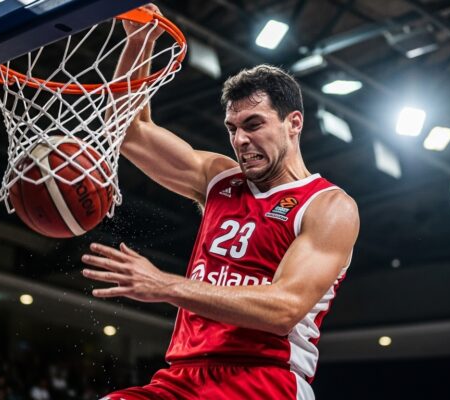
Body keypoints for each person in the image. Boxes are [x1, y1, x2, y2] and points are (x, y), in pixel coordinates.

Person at [81, 4, 360, 399]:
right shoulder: (219, 179)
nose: (241, 140)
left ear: (293, 123)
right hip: (184, 377)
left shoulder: (327, 206)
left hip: (265, 378)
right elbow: (128, 131)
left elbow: (284, 308)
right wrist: (139, 41)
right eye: (233, 128)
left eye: (254, 124)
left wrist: (166, 285)